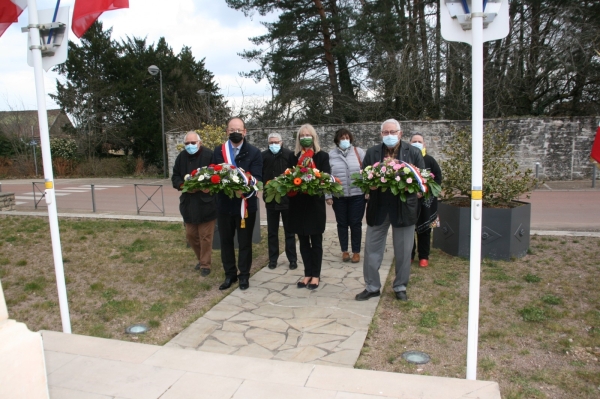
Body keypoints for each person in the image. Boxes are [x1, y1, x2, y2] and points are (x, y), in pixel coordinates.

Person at [355, 119, 425, 302]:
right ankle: (372, 287)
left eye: (392, 132)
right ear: (381, 135)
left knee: (403, 251)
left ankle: (400, 286)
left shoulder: (414, 152)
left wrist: (416, 192)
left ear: (400, 133)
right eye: (385, 132)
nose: (389, 135)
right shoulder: (372, 153)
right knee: (371, 250)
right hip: (378, 208)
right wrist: (370, 187)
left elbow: (422, 180)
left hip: (404, 209)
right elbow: (364, 178)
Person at [212, 117, 263, 291]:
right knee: (226, 241)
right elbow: (214, 174)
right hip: (224, 205)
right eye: (232, 130)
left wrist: (245, 184)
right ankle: (230, 275)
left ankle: (244, 276)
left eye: (238, 130)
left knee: (244, 242)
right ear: (227, 132)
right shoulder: (219, 151)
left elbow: (257, 179)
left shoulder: (254, 152)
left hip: (245, 205)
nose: (235, 133)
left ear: (245, 131)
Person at [288, 124, 330, 290]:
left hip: (315, 205)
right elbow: (289, 176)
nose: (305, 137)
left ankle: (316, 275)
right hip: (298, 205)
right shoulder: (293, 156)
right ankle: (307, 273)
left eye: (308, 134)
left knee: (316, 242)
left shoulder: (322, 156)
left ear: (314, 137)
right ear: (298, 138)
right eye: (302, 134)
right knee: (303, 241)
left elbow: (326, 177)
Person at [171, 131, 217, 277]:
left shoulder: (209, 155)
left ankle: (205, 264)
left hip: (206, 204)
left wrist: (208, 186)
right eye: (187, 143)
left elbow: (217, 174)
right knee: (191, 235)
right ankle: (200, 259)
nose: (190, 146)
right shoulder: (181, 157)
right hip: (188, 204)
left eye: (193, 143)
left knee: (205, 236)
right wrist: (182, 185)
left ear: (200, 143)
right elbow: (175, 176)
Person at [326, 128, 366, 263]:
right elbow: (326, 177)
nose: (345, 140)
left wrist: (367, 191)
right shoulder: (331, 155)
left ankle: (356, 252)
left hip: (357, 195)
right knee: (342, 224)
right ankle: (345, 251)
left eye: (347, 138)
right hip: (339, 196)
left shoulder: (359, 152)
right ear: (337, 140)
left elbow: (367, 172)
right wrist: (328, 195)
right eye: (342, 138)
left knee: (356, 224)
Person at [261, 132, 298, 270]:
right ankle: (273, 259)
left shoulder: (289, 155)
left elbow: (295, 174)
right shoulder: (263, 156)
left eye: (276, 142)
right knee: (272, 232)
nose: (274, 145)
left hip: (287, 199)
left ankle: (292, 259)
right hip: (271, 199)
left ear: (281, 142)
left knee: (289, 231)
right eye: (271, 143)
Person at [409, 133, 442, 268]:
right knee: (409, 229)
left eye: (419, 141)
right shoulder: (406, 161)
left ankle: (423, 256)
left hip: (426, 202)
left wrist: (425, 191)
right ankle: (410, 255)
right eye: (414, 141)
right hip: (409, 201)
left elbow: (437, 180)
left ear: (424, 144)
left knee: (425, 229)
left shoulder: (430, 160)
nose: (417, 143)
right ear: (410, 144)